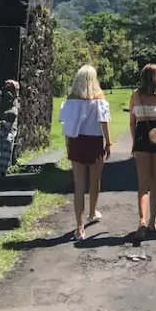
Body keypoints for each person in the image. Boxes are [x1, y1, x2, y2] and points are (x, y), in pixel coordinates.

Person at [59, 65, 112, 242]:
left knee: (79, 186)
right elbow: (104, 122)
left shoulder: (71, 99)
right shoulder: (99, 98)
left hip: (76, 141)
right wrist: (108, 142)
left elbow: (66, 123)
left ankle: (80, 228)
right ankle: (91, 212)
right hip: (94, 142)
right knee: (95, 181)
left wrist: (67, 144)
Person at [130, 63, 156, 239]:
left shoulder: (136, 96)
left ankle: (142, 220)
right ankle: (153, 220)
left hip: (140, 137)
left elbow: (132, 122)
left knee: (142, 182)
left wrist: (134, 142)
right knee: (155, 180)